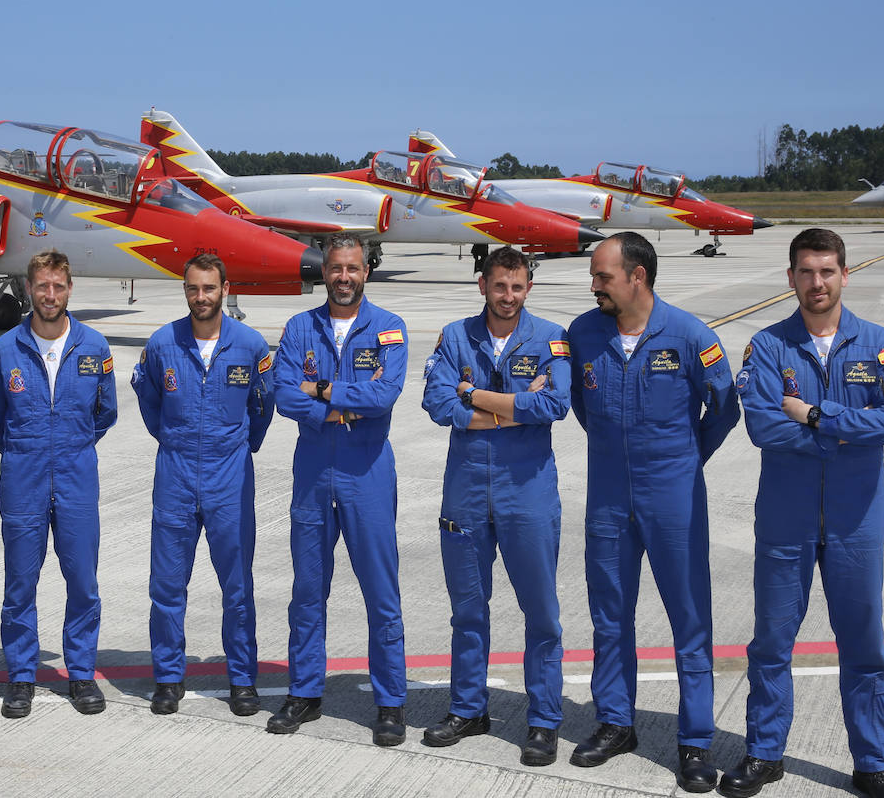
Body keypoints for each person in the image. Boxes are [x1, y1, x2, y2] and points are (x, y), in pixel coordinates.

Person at [719, 229, 884, 798]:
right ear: (791, 278)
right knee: (772, 645)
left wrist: (814, 415)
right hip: (786, 522)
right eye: (806, 272)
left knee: (864, 647)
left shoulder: (880, 343)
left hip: (856, 524)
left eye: (827, 271)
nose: (817, 282)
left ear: (845, 275)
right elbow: (761, 426)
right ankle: (763, 753)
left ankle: (872, 763)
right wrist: (844, 432)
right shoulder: (768, 346)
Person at [566, 232, 739, 793]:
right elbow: (581, 405)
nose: (594, 286)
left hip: (674, 497)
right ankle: (616, 722)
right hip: (608, 498)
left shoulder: (690, 335)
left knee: (689, 618)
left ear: (637, 277)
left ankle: (694, 741)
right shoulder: (584, 333)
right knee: (609, 614)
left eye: (603, 277)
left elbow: (723, 407)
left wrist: (684, 458)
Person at [420, 246, 570, 765]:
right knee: (467, 610)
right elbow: (437, 404)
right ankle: (468, 707)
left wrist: (475, 396)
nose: (508, 296)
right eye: (499, 285)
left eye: (518, 287)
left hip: (527, 494)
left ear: (529, 288)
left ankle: (544, 719)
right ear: (482, 284)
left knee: (542, 612)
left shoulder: (551, 337)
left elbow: (555, 405)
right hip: (465, 492)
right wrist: (510, 409)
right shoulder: (455, 336)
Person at [268, 232, 409, 747]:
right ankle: (304, 691)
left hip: (366, 473)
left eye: (352, 268)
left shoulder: (389, 328)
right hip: (312, 473)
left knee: (381, 591)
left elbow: (385, 394)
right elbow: (284, 394)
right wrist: (341, 408)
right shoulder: (299, 327)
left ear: (365, 271)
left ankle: (390, 701)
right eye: (335, 269)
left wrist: (324, 390)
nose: (343, 277)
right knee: (307, 590)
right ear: (324, 272)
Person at [132, 254, 275, 717]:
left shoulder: (251, 346)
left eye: (209, 289)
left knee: (236, 586)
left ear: (224, 289)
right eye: (193, 289)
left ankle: (241, 678)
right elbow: (150, 404)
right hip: (174, 473)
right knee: (167, 585)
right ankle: (169, 677)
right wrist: (175, 441)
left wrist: (235, 446)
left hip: (229, 476)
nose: (201, 297)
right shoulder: (161, 344)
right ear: (185, 290)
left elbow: (263, 406)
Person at [0, 249, 118, 719]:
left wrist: (71, 446)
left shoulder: (95, 347)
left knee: (82, 581)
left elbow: (105, 413)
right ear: (29, 289)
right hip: (23, 480)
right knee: (20, 582)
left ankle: (79, 674)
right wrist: (28, 451)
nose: (50, 295)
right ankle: (21, 677)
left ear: (69, 289)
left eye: (58, 286)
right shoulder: (4, 351)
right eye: (42, 286)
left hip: (78, 479)